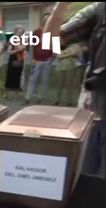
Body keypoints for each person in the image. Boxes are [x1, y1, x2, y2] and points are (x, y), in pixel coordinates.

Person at [45, 2, 106, 177]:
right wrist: (61, 6)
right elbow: (51, 42)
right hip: (95, 112)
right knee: (86, 182)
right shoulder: (99, 10)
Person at [25, 13, 54, 104]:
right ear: (42, 20)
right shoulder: (36, 32)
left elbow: (55, 47)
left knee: (45, 80)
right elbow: (31, 46)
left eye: (48, 19)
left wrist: (52, 58)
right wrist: (32, 58)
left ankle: (41, 98)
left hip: (47, 60)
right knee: (33, 79)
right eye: (45, 19)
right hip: (37, 60)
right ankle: (28, 97)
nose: (46, 20)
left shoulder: (53, 32)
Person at [5, 26, 26, 100]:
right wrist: (17, 50)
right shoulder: (12, 41)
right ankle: (9, 94)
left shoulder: (24, 41)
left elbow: (26, 51)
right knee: (11, 76)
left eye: (21, 33)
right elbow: (9, 52)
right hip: (13, 60)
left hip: (20, 60)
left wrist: (23, 49)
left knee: (18, 76)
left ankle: (17, 94)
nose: (20, 34)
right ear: (16, 33)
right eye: (19, 33)